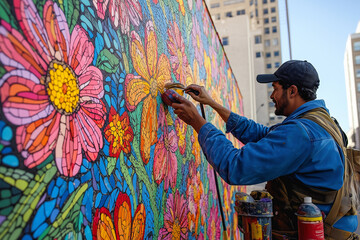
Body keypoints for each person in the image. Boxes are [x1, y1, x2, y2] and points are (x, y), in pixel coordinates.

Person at [171, 60, 358, 239]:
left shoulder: (301, 134)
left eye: (275, 89)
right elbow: (263, 135)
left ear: (292, 91)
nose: (271, 96)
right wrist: (213, 104)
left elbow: (236, 167)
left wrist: (197, 121)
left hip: (317, 233)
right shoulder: (321, 122)